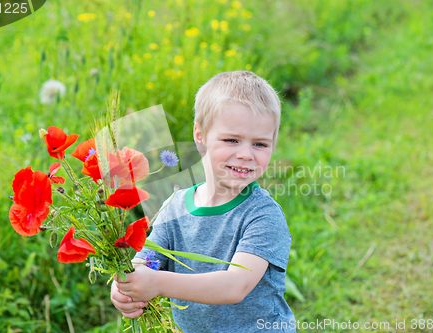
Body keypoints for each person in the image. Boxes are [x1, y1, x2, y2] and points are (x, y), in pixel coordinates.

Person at [110, 71, 296, 332]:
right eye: (231, 140)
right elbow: (146, 261)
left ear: (273, 144)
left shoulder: (263, 215)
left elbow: (235, 286)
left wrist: (157, 283)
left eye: (260, 144)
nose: (245, 154)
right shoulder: (174, 206)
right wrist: (126, 286)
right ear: (200, 134)